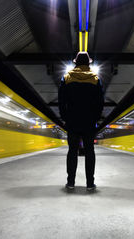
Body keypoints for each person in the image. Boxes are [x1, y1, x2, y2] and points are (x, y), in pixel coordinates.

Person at [58, 52, 104, 191]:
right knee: (90, 151)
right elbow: (100, 102)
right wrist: (95, 118)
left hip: (72, 120)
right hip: (89, 121)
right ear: (88, 63)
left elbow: (61, 101)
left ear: (75, 63)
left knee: (72, 151)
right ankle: (90, 183)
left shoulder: (67, 78)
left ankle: (70, 182)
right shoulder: (95, 79)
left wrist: (65, 117)